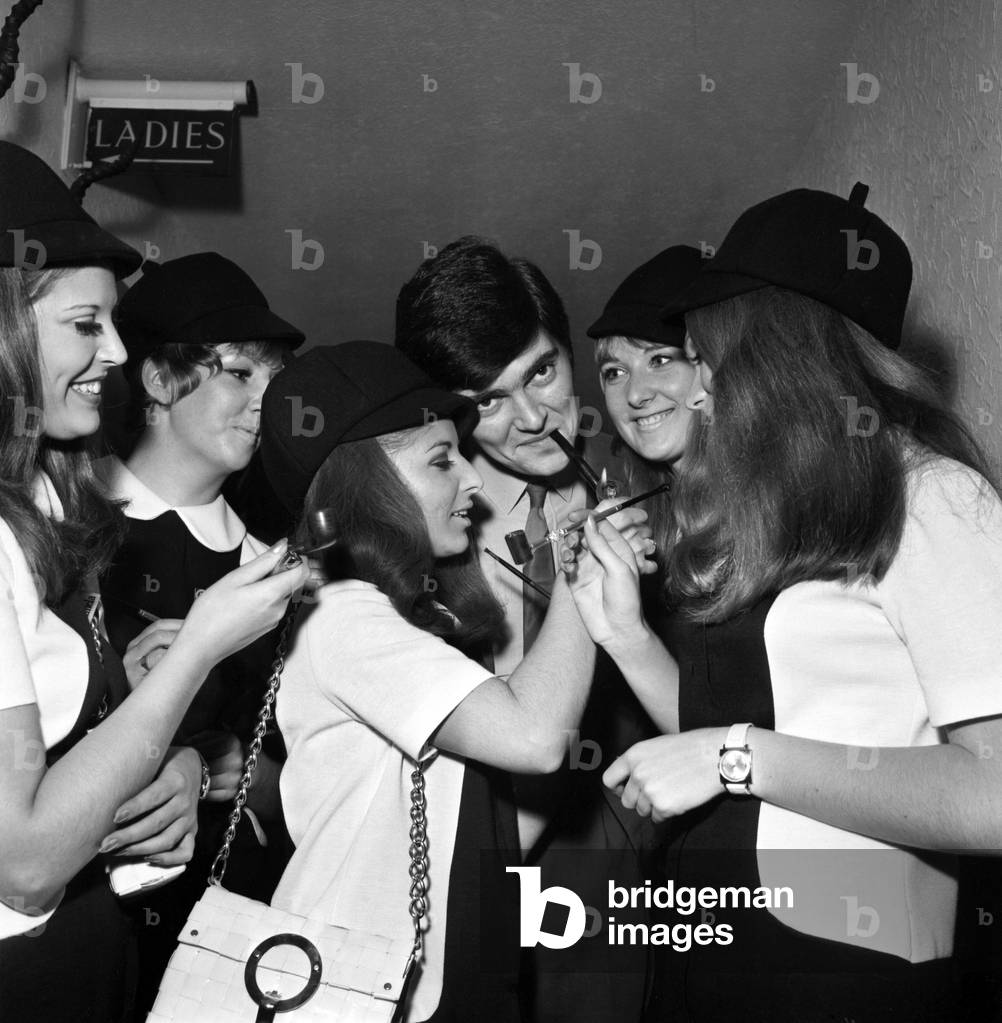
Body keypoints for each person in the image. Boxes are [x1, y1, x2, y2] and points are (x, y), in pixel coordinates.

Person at [562, 184, 1002, 1022]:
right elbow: (706, 745)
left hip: (845, 965)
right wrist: (622, 631)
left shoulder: (935, 498)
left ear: (779, 351)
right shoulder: (772, 520)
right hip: (718, 938)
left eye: (708, 358)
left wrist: (740, 756)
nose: (693, 391)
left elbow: (996, 794)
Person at [0, 143, 307, 1023]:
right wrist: (199, 647)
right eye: (87, 323)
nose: (118, 352)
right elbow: (23, 857)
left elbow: (76, 748)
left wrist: (183, 756)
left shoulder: (48, 505)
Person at [259, 341, 654, 1023]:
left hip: (449, 981)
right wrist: (579, 571)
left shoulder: (408, 622)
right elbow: (534, 737)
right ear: (364, 486)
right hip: (360, 996)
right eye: (442, 459)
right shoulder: (341, 615)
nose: (472, 480)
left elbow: (489, 827)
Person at [396, 237, 661, 1022]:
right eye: (488, 398)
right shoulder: (421, 542)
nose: (533, 416)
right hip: (473, 873)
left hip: (624, 870)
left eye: (541, 371)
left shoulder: (652, 472)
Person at [95, 251, 305, 1016]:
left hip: (228, 929)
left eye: (273, 380)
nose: (263, 400)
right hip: (80, 922)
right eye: (238, 373)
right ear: (157, 380)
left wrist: (227, 767)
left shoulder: (271, 567)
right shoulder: (61, 529)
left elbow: (303, 783)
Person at [586, 244, 703, 559]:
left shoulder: (780, 511)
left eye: (660, 360)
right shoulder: (647, 518)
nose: (635, 395)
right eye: (616, 372)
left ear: (709, 367)